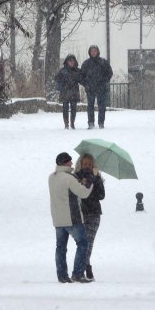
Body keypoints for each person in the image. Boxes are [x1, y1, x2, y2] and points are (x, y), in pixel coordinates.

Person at [48, 152, 93, 283]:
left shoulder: (52, 177)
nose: (72, 164)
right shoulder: (69, 178)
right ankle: (78, 274)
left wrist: (77, 177)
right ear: (65, 163)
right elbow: (83, 193)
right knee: (83, 243)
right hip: (72, 217)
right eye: (70, 161)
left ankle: (62, 276)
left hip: (57, 218)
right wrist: (90, 181)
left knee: (60, 248)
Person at [74, 154, 105, 281]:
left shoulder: (97, 177)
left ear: (93, 165)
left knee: (88, 243)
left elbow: (101, 196)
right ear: (80, 164)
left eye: (89, 164)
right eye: (85, 164)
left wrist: (94, 182)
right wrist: (81, 184)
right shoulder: (75, 177)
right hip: (79, 214)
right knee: (82, 244)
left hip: (93, 214)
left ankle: (85, 268)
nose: (87, 166)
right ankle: (84, 268)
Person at [80, 44, 113, 129]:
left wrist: (104, 82)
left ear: (97, 52)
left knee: (102, 106)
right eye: (92, 51)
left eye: (95, 51)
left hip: (101, 88)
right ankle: (91, 123)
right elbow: (81, 76)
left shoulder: (103, 62)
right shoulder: (86, 63)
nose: (93, 52)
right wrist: (86, 84)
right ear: (89, 52)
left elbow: (109, 73)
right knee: (90, 106)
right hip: (90, 88)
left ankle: (101, 123)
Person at [54, 54, 82, 129]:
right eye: (70, 61)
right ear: (67, 62)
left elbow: (82, 79)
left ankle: (72, 123)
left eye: (73, 61)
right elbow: (56, 78)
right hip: (65, 92)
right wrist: (63, 80)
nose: (72, 62)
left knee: (74, 108)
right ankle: (66, 124)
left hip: (74, 91)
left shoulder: (77, 70)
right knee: (65, 109)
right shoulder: (62, 71)